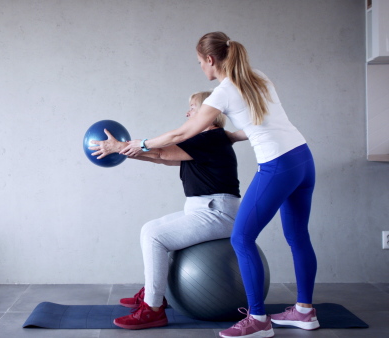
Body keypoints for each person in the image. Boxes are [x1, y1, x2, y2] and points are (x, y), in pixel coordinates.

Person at [119, 32, 318, 338]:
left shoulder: (222, 93)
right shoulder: (257, 77)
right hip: (303, 158)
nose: (201, 67)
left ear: (210, 60)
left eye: (200, 62)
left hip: (278, 165)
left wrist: (140, 142)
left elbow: (179, 135)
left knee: (241, 238)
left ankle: (258, 320)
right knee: (297, 236)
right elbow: (256, 124)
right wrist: (232, 136)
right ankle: (305, 312)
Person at [89, 91, 241, 330]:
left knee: (154, 237)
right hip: (205, 209)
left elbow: (160, 152)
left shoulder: (211, 138)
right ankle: (154, 293)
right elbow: (161, 159)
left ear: (208, 113)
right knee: (150, 228)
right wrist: (121, 151)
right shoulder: (204, 141)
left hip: (218, 212)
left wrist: (121, 146)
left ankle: (153, 309)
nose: (187, 112)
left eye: (192, 107)